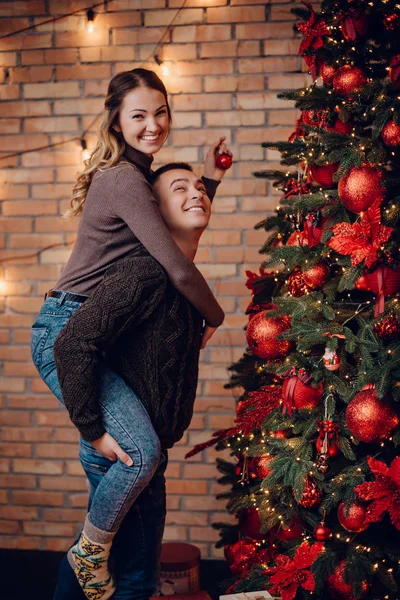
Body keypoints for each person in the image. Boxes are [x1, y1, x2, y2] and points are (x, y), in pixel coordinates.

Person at [31, 68, 230, 599]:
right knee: (139, 454)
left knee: (141, 491)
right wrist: (217, 317)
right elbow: (178, 269)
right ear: (117, 122)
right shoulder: (122, 179)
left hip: (95, 332)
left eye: (161, 112)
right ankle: (88, 552)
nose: (154, 124)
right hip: (67, 326)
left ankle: (90, 560)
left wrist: (205, 182)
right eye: (139, 114)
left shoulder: (139, 182)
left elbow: (176, 224)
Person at [51, 163, 217, 599]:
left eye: (200, 188)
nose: (196, 193)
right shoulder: (145, 273)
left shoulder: (185, 283)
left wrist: (209, 177)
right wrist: (93, 429)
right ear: (153, 214)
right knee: (134, 580)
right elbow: (72, 343)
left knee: (100, 567)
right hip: (125, 452)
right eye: (179, 188)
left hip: (145, 452)